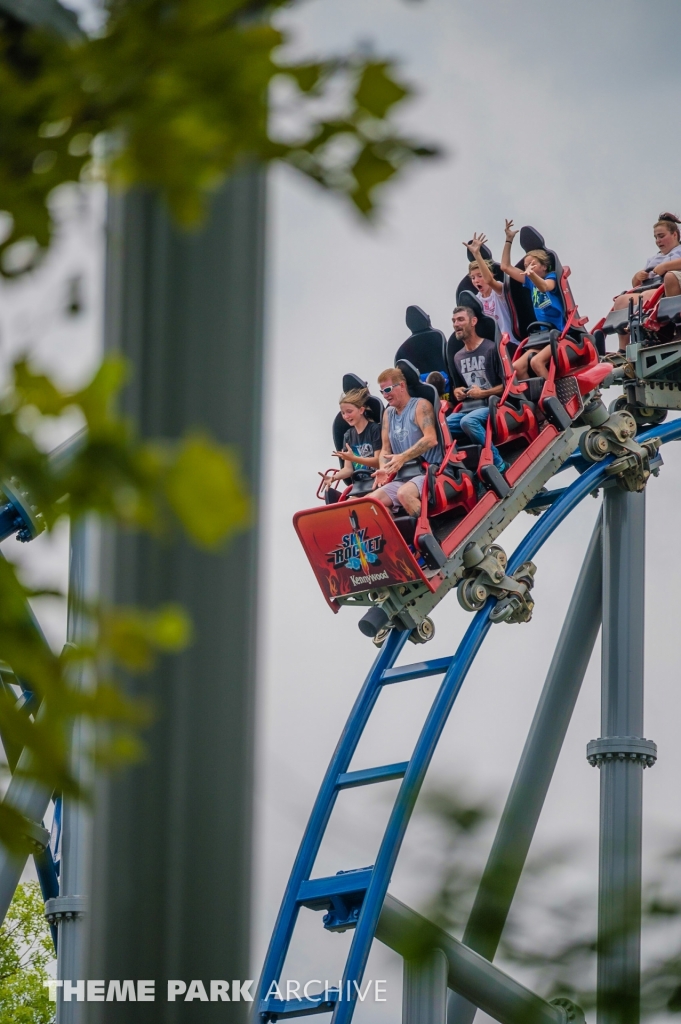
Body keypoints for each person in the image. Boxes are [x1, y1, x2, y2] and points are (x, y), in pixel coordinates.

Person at [500, 219, 566, 381]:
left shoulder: (551, 277)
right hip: (541, 335)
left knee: (536, 362)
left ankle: (553, 397)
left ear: (544, 266)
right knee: (516, 367)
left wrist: (531, 274)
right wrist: (509, 240)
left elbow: (544, 287)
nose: (528, 267)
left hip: (559, 335)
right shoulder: (529, 282)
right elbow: (505, 267)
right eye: (526, 265)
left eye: (533, 264)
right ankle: (535, 400)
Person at [371, 368, 442, 517]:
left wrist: (402, 457)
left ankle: (428, 533)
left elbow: (431, 439)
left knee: (404, 494)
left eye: (388, 389)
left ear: (402, 386)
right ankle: (399, 537)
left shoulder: (420, 406)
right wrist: (384, 468)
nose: (385, 395)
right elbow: (385, 449)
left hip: (429, 472)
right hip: (403, 476)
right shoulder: (388, 413)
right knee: (370, 503)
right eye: (382, 391)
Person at [610, 212, 681, 355]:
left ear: (674, 235)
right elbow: (636, 284)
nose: (658, 241)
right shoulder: (654, 258)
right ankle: (623, 348)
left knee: (666, 279)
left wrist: (666, 267)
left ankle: (678, 328)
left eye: (661, 236)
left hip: (670, 286)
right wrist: (637, 276)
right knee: (622, 300)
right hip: (652, 287)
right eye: (655, 237)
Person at [445, 305, 506, 472]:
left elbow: (507, 386)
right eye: (454, 321)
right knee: (442, 427)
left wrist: (484, 393)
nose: (456, 324)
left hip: (494, 404)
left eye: (460, 320)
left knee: (468, 421)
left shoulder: (491, 348)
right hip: (470, 406)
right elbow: (461, 386)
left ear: (473, 321)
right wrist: (458, 392)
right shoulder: (458, 356)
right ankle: (462, 469)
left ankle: (498, 461)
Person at [319, 387, 382, 497]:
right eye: (343, 413)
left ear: (361, 410)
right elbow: (348, 469)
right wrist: (334, 478)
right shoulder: (348, 435)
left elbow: (379, 462)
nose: (346, 416)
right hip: (360, 485)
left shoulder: (374, 429)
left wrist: (354, 458)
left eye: (349, 412)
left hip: (378, 481)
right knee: (348, 508)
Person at [464, 232, 517, 343]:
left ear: (491, 274)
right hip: (491, 346)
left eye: (480, 276)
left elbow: (489, 280)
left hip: (509, 342)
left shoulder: (498, 291)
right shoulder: (477, 300)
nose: (476, 280)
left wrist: (477, 254)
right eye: (473, 278)